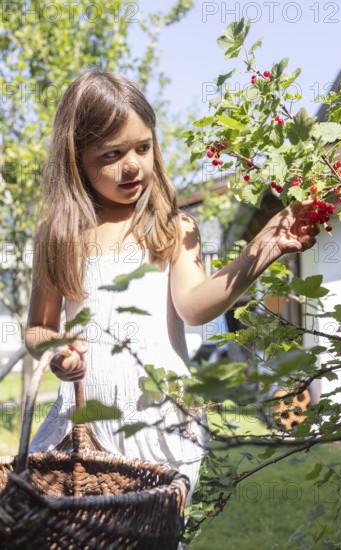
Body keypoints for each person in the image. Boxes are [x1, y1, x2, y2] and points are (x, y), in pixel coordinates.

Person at [25, 68, 318, 519]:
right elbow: (39, 327)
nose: (132, 165)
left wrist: (266, 246)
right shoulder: (58, 235)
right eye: (112, 153)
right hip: (82, 428)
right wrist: (57, 349)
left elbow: (196, 307)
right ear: (76, 158)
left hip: (158, 424)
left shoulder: (171, 227)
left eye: (143, 147)